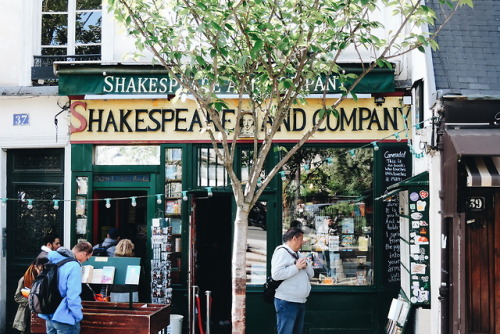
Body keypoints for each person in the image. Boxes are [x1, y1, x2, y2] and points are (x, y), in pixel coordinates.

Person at [39, 241, 93, 334]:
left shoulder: (52, 259)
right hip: (64, 316)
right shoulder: (74, 266)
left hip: (49, 314)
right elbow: (73, 296)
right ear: (83, 254)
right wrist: (78, 316)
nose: (85, 260)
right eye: (87, 258)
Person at [271, 227, 314, 334]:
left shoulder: (299, 254)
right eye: (301, 239)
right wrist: (296, 267)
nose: (302, 242)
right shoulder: (281, 252)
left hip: (300, 301)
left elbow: (312, 274)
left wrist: (306, 266)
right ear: (294, 238)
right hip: (287, 302)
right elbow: (276, 275)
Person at [13, 257, 49, 333]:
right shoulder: (24, 279)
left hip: (40, 313)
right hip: (26, 314)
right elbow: (17, 297)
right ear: (35, 267)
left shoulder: (45, 279)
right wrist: (32, 302)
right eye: (41, 268)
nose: (42, 271)